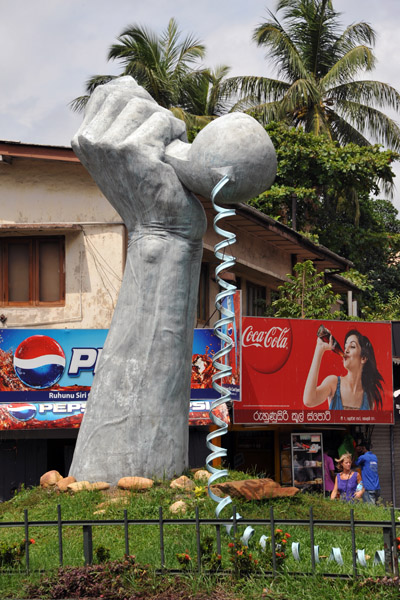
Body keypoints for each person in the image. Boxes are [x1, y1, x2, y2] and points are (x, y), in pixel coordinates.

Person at [303, 328, 384, 410]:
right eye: (345, 346)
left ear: (363, 358)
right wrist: (319, 349)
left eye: (352, 346)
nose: (346, 350)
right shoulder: (333, 383)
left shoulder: (369, 396)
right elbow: (309, 400)